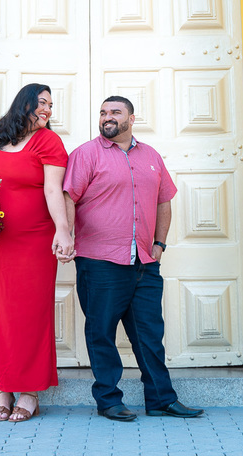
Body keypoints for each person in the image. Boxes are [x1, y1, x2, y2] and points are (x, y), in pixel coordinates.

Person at [62, 96, 204, 422]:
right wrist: (66, 236)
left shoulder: (151, 156)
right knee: (102, 333)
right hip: (99, 262)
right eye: (102, 112)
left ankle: (161, 399)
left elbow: (164, 201)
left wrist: (160, 243)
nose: (107, 117)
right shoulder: (86, 154)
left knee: (150, 335)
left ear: (131, 118)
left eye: (115, 112)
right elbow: (69, 197)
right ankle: (109, 400)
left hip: (144, 263)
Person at [0, 83, 75, 423]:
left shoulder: (49, 142)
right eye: (41, 103)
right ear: (24, 104)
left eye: (50, 105)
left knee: (29, 313)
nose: (47, 109)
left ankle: (29, 392)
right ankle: (4, 388)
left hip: (32, 241)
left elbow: (52, 189)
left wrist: (63, 230)